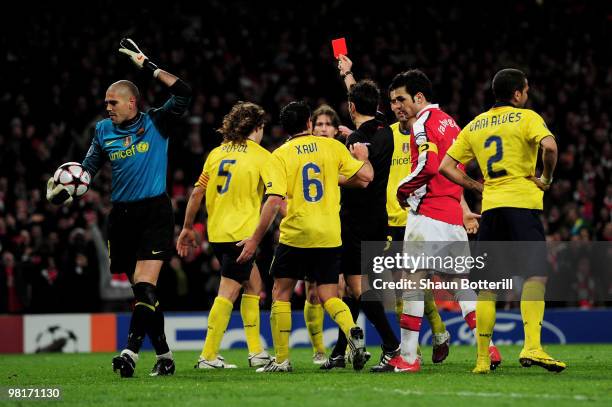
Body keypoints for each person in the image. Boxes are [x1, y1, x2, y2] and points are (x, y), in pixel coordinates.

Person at [46, 38, 191, 378]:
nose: (108, 107)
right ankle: (165, 356)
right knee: (144, 294)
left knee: (144, 286)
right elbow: (88, 168)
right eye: (106, 103)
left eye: (113, 102)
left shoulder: (157, 121)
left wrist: (147, 65)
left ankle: (129, 353)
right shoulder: (103, 130)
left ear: (131, 103)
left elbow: (184, 92)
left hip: (155, 211)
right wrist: (64, 190)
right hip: (122, 217)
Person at [439, 68, 567, 374]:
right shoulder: (527, 118)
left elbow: (446, 166)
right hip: (522, 206)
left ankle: (483, 358)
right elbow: (550, 147)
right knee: (536, 276)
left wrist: (475, 186)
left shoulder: (475, 125)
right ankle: (532, 346)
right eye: (526, 90)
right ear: (518, 93)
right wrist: (546, 178)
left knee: (487, 286)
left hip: (492, 208)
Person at [236, 101, 373, 372]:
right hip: (330, 234)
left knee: (281, 293)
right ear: (309, 123)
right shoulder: (332, 146)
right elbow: (366, 177)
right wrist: (361, 157)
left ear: (285, 128)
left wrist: (254, 240)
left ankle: (283, 360)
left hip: (296, 233)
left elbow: (274, 200)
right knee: (329, 294)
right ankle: (352, 329)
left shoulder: (280, 155)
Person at [393, 69, 501, 372]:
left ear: (418, 97)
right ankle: (488, 348)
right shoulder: (450, 122)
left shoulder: (423, 123)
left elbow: (429, 166)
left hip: (427, 215)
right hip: (453, 217)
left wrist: (403, 189)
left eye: (401, 99)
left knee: (412, 283)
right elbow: (454, 167)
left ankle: (409, 358)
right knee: (460, 285)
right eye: (392, 101)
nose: (397, 106)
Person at [319, 67, 404, 372]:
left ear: (352, 108)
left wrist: (331, 176)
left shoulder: (356, 139)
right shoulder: (386, 128)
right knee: (354, 287)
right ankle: (341, 352)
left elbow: (361, 178)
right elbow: (362, 103)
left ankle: (393, 347)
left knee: (357, 288)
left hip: (356, 220)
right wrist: (347, 75)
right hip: (379, 219)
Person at [176, 101, 271, 369]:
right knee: (227, 292)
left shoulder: (216, 153)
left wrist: (186, 227)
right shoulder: (261, 156)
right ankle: (207, 355)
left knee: (253, 285)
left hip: (217, 234)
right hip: (241, 236)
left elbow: (196, 192)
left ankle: (256, 352)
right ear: (258, 127)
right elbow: (275, 196)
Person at [303, 104, 344, 364]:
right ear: (311, 128)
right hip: (310, 231)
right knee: (312, 293)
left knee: (341, 290)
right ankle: (319, 350)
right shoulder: (301, 154)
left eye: (328, 124)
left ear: (336, 129)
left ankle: (346, 344)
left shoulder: (342, 152)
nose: (323, 128)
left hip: (340, 229)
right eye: (319, 124)